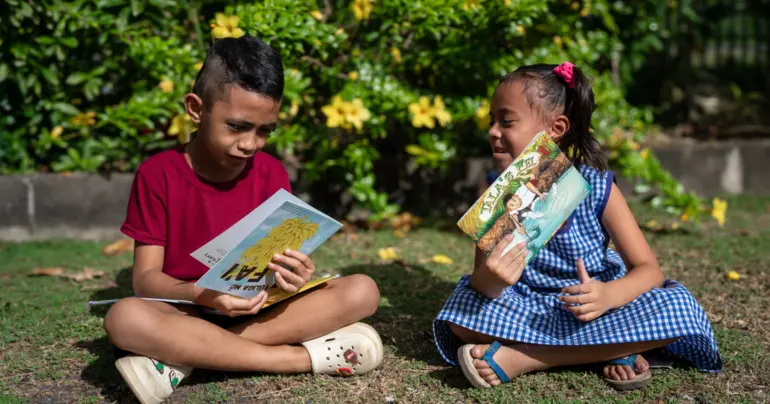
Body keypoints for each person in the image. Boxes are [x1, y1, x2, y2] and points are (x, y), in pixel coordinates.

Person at [104, 35, 383, 404]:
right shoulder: (158, 174)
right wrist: (203, 295)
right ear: (195, 108)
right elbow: (145, 281)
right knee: (124, 317)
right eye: (237, 126)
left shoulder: (270, 173)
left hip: (254, 311)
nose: (251, 144)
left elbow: (274, 269)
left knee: (363, 290)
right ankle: (298, 359)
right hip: (180, 310)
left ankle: (183, 360)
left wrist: (293, 275)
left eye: (265, 130)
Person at [433, 62, 722, 391]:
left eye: (506, 121)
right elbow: (483, 284)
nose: (493, 131)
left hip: (596, 306)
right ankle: (613, 348)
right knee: (461, 320)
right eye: (492, 121)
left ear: (555, 128)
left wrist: (607, 295)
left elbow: (649, 270)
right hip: (527, 306)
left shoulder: (597, 185)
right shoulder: (497, 192)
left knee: (678, 308)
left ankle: (525, 359)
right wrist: (493, 278)